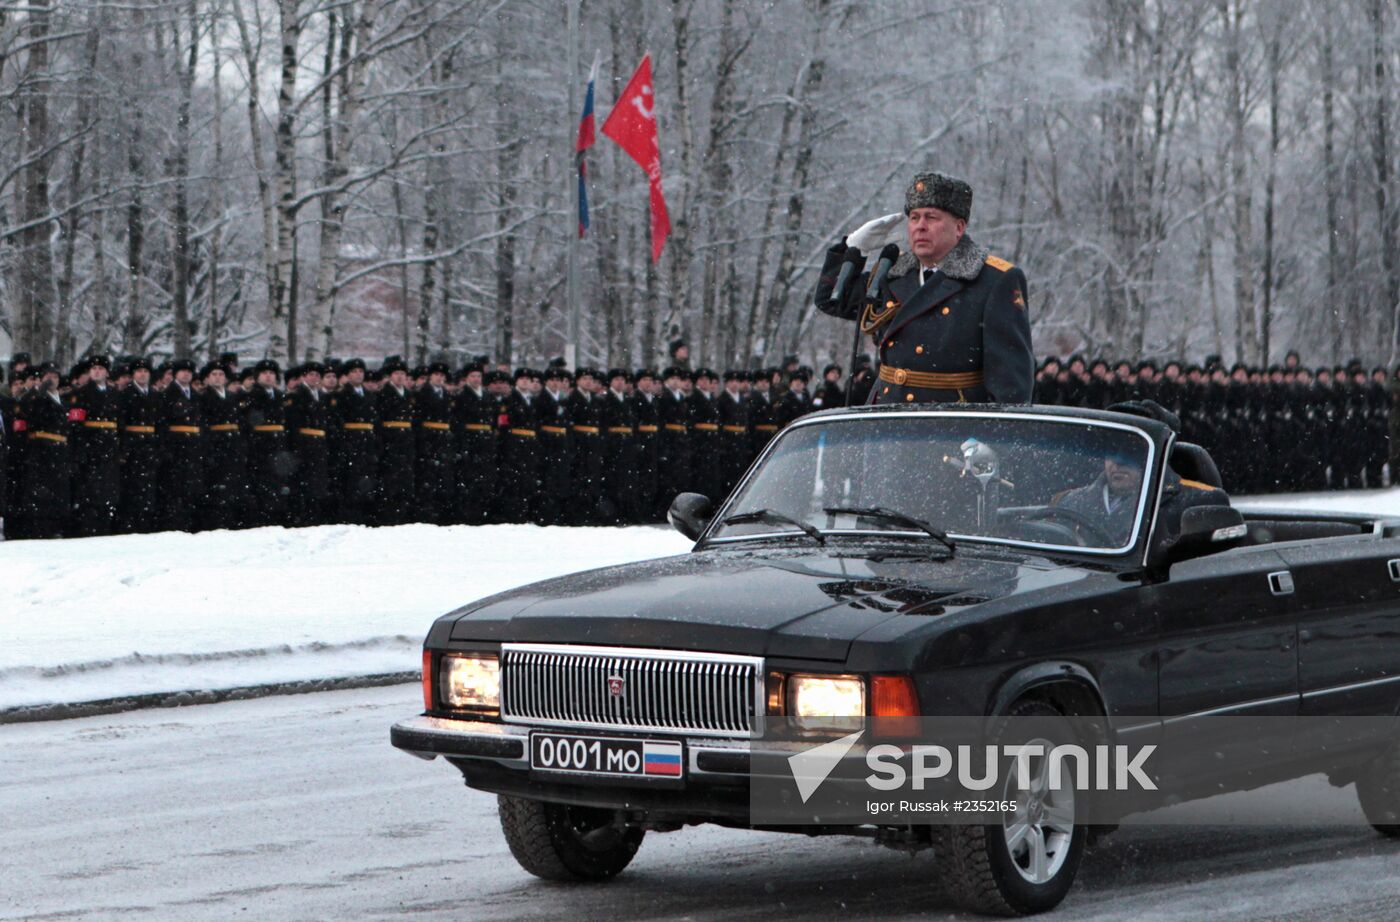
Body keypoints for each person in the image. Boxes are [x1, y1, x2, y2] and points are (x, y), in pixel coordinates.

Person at [815, 171, 1033, 405]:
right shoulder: (893, 274)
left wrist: (991, 439)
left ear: (959, 227)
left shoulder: (992, 280)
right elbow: (832, 299)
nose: (920, 226)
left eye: (931, 217)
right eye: (914, 218)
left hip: (950, 425)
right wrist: (852, 249)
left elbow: (1011, 384)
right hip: (888, 418)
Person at [67, 355, 122, 537]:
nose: (97, 372)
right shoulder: (81, 394)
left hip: (109, 448)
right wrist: (80, 452)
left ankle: (104, 528)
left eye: (100, 369)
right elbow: (75, 427)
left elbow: (119, 423)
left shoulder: (115, 394)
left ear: (106, 372)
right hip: (91, 448)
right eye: (94, 369)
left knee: (107, 494)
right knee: (90, 496)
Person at [158, 358, 205, 532]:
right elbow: (163, 424)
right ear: (175, 374)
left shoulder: (195, 395)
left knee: (190, 488)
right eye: (182, 371)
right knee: (175, 489)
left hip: (192, 447)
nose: (186, 374)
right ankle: (175, 525)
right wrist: (166, 448)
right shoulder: (167, 394)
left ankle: (189, 523)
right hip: (176, 446)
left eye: (189, 371)